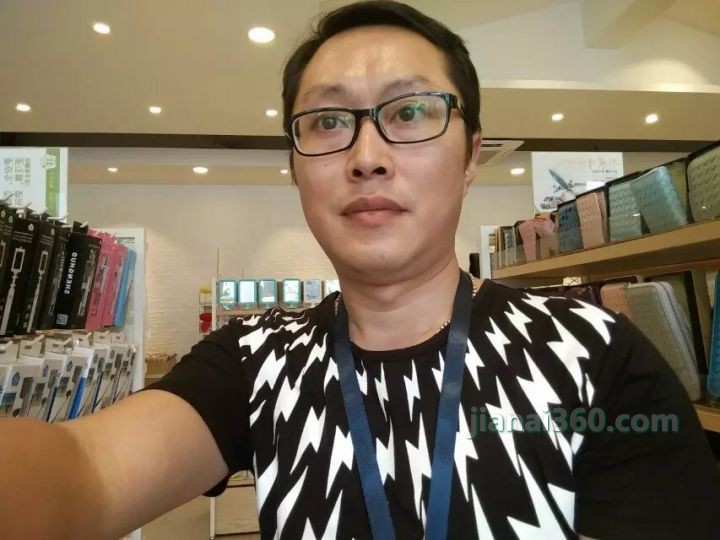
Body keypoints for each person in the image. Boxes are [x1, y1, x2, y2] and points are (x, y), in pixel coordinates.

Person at [2, 1, 720, 539]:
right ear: (295, 167)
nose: (366, 156)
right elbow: (85, 474)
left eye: (410, 113)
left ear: (471, 155)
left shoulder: (590, 352)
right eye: (327, 121)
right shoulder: (253, 361)